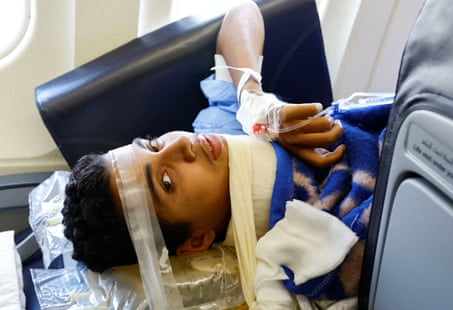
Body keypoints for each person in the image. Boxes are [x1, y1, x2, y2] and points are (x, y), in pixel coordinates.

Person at [62, 1, 388, 308]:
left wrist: (253, 101)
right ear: (195, 242)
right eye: (166, 181)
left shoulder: (223, 126)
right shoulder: (300, 254)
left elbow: (241, 12)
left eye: (153, 144)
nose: (180, 146)